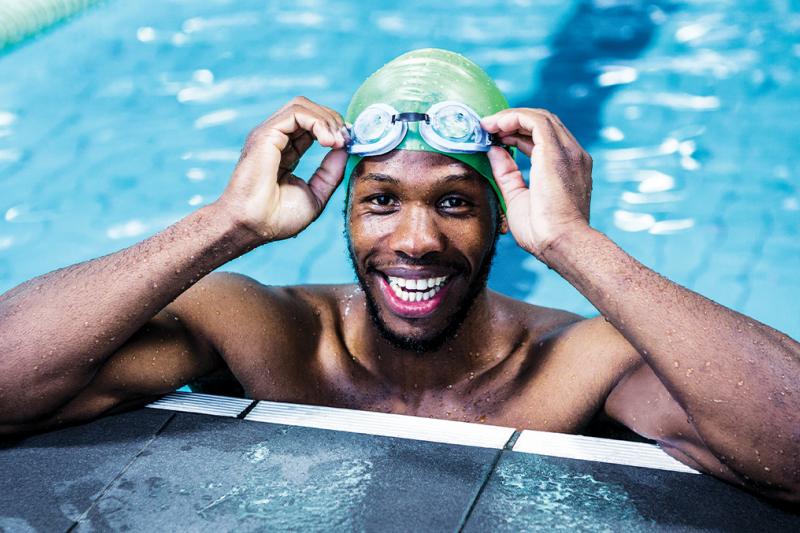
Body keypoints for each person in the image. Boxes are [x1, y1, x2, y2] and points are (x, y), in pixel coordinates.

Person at [0, 49, 797, 503]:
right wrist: (224, 225)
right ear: (343, 211)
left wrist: (574, 242)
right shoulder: (267, 335)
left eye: (454, 201)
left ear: (500, 216)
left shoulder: (578, 364)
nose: (415, 239)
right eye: (380, 201)